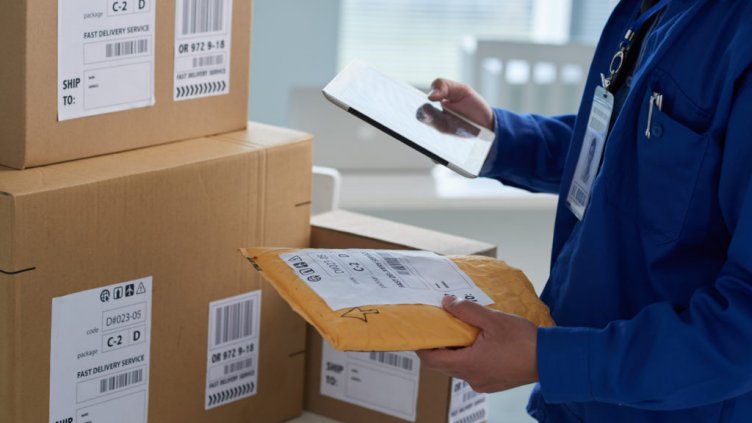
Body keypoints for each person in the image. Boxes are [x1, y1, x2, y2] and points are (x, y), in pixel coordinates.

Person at [416, 0, 752, 421]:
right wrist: (501, 137)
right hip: (577, 400)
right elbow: (628, 151)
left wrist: (550, 359)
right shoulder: (650, 9)